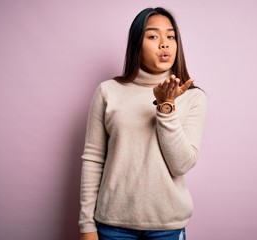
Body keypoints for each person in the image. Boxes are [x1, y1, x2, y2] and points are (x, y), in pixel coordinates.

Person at [79, 7, 207, 240]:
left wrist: (166, 109)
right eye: (153, 36)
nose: (164, 44)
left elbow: (181, 165)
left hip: (167, 225)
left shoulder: (192, 97)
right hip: (112, 225)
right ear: (137, 44)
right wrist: (86, 225)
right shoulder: (108, 91)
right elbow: (93, 158)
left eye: (170, 36)